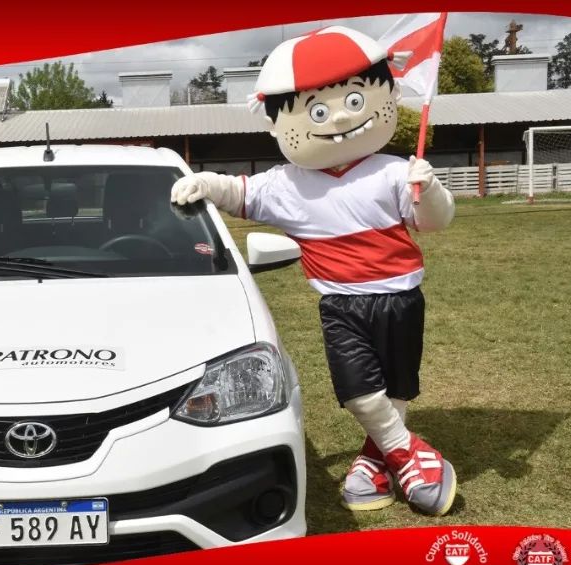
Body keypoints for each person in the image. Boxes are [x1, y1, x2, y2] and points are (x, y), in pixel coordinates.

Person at [171, 26, 457, 515]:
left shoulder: (393, 171)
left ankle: (375, 460)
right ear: (275, 121)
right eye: (317, 111)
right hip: (341, 305)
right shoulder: (286, 185)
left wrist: (428, 190)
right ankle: (409, 455)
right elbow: (239, 193)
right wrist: (205, 183)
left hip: (401, 297)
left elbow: (435, 222)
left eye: (355, 100)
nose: (340, 117)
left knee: (395, 389)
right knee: (360, 393)